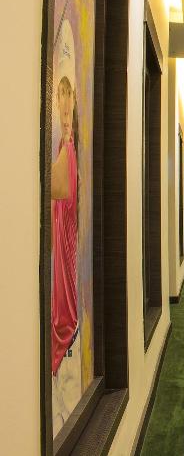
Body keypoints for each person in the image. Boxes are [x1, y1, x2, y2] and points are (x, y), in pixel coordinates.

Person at [51, 19, 79, 375]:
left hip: (66, 232)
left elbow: (63, 190)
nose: (64, 103)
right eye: (60, 95)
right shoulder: (64, 145)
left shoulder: (68, 146)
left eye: (67, 95)